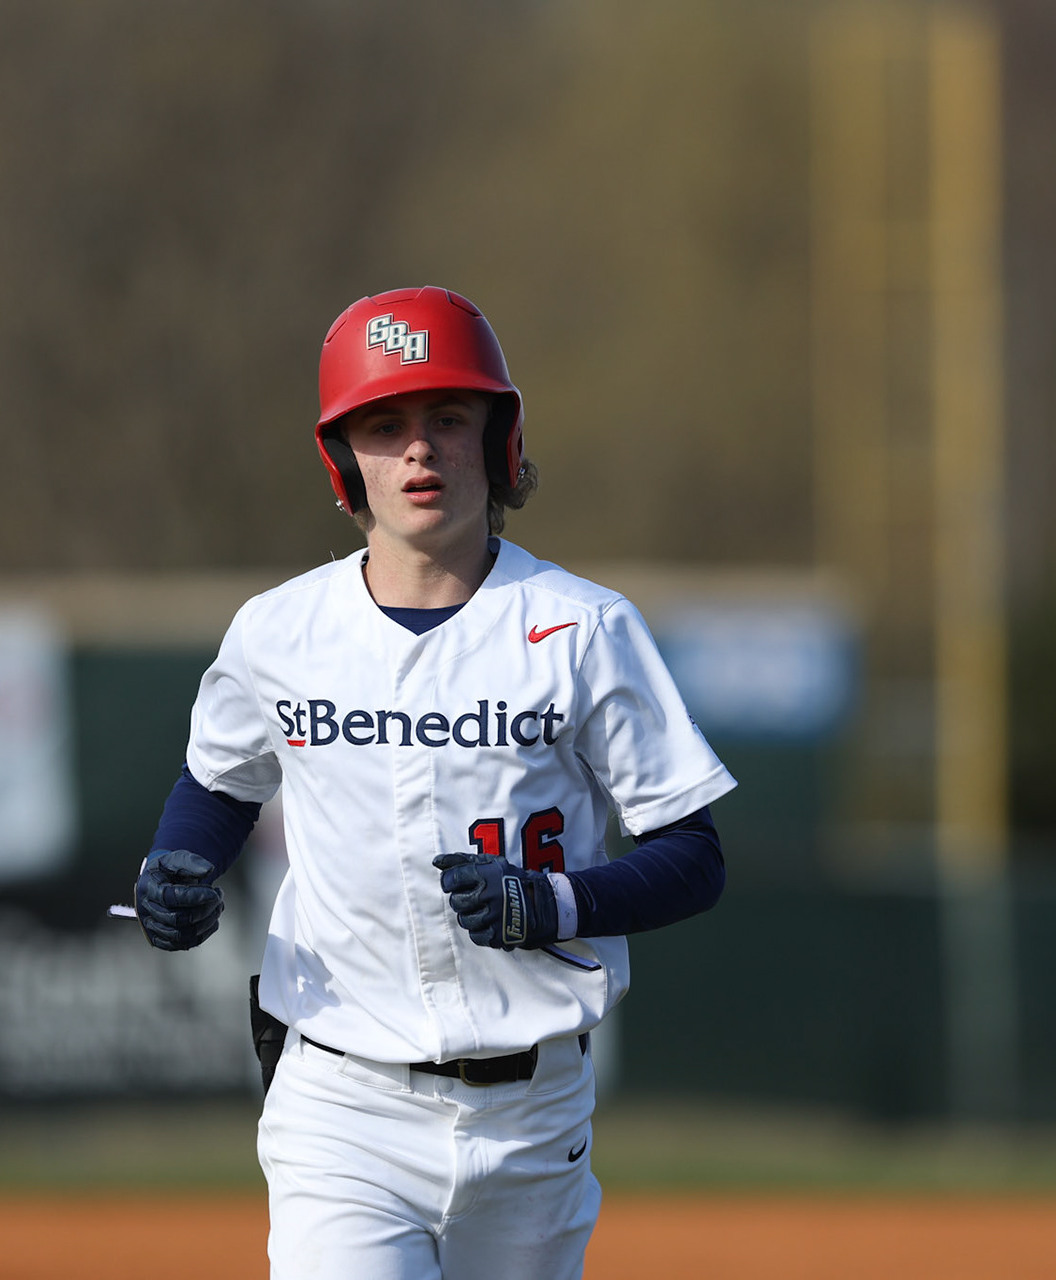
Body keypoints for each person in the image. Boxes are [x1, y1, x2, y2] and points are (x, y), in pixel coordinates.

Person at [132, 286, 736, 1279]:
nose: (419, 449)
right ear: (343, 458)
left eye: (448, 418)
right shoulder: (280, 631)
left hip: (535, 1114)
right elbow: (219, 782)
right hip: (341, 1100)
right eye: (385, 423)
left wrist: (556, 901)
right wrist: (178, 862)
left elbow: (694, 856)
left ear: (499, 442)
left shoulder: (583, 626)